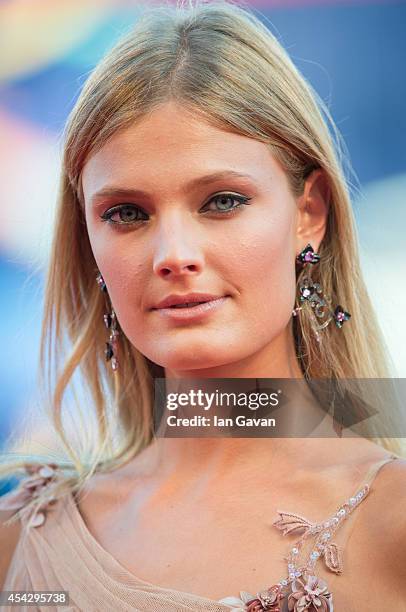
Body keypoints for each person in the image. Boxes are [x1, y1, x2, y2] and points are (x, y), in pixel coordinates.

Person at [1, 1, 405, 610]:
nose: (174, 254)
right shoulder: (19, 532)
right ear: (89, 242)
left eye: (221, 201)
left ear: (309, 212)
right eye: (126, 214)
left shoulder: (393, 524)